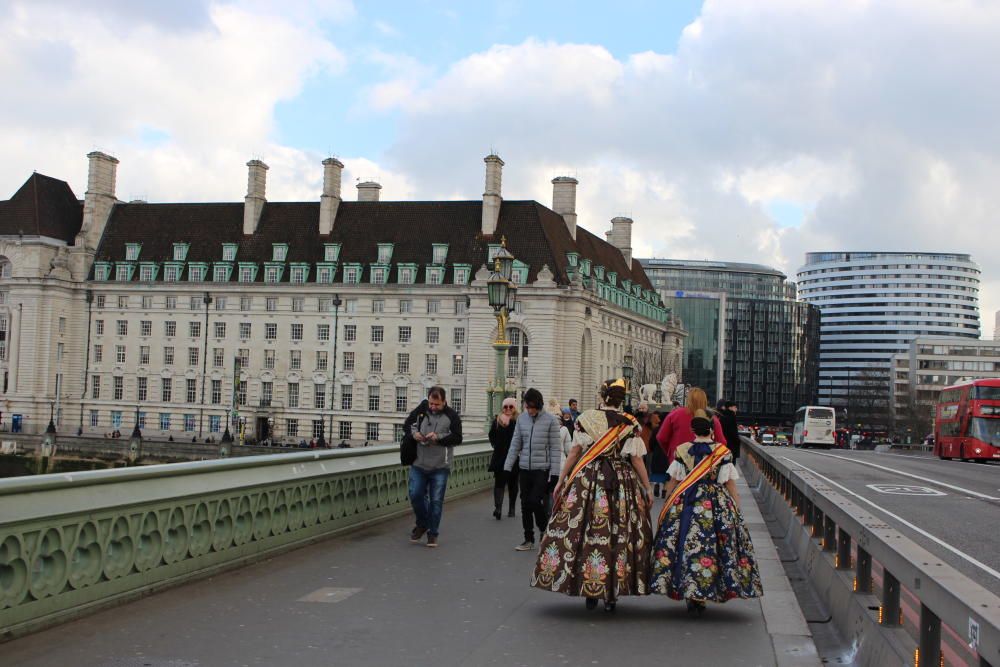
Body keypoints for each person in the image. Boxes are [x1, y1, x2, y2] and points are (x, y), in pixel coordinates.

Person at [532, 379, 654, 612]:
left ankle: (590, 589)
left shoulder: (586, 419)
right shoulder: (630, 423)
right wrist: (647, 487)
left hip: (589, 479)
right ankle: (612, 593)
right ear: (621, 399)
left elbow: (575, 452)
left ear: (602, 396)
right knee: (620, 534)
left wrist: (561, 480)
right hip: (621, 481)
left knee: (586, 531)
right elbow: (636, 460)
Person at [649, 410, 762, 614]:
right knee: (715, 545)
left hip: (686, 501)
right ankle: (707, 590)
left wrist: (668, 504)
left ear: (692, 430)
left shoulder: (682, 450)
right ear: (711, 430)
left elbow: (673, 481)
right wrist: (736, 508)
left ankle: (688, 589)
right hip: (715, 502)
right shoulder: (723, 452)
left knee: (682, 543)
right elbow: (730, 485)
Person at [403, 386, 464, 548]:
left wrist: (438, 437)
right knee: (415, 494)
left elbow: (458, 438)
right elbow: (408, 425)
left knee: (436, 501)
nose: (433, 407)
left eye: (436, 404)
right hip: (419, 462)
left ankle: (432, 533)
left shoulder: (452, 416)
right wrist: (414, 434)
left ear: (444, 402)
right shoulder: (422, 410)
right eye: (431, 403)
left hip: (440, 466)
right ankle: (422, 523)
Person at [504, 388, 562, 552]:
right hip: (524, 468)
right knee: (525, 504)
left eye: (532, 407)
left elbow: (555, 448)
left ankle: (544, 529)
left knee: (535, 501)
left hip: (541, 469)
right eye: (527, 407)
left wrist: (555, 473)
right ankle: (528, 538)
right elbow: (515, 444)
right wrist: (507, 467)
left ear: (539, 405)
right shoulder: (522, 419)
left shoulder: (550, 421)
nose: (530, 410)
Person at [655, 387, 727, 466]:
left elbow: (661, 437)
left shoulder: (675, 414)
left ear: (688, 400)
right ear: (705, 400)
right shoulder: (712, 419)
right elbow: (722, 442)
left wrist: (670, 452)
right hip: (704, 465)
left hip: (678, 462)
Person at [488, 397, 520, 520]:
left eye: (510, 407)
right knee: (499, 482)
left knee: (513, 483)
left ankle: (512, 508)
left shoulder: (518, 421)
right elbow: (491, 435)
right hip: (500, 456)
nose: (508, 409)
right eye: (505, 407)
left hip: (514, 457)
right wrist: (496, 445)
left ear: (515, 408)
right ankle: (498, 508)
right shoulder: (497, 421)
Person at [645, 411, 669, 497]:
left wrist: (652, 449)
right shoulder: (670, 429)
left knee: (656, 471)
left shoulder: (656, 430)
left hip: (657, 452)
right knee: (667, 472)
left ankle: (657, 484)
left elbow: (651, 442)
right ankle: (664, 490)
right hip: (667, 453)